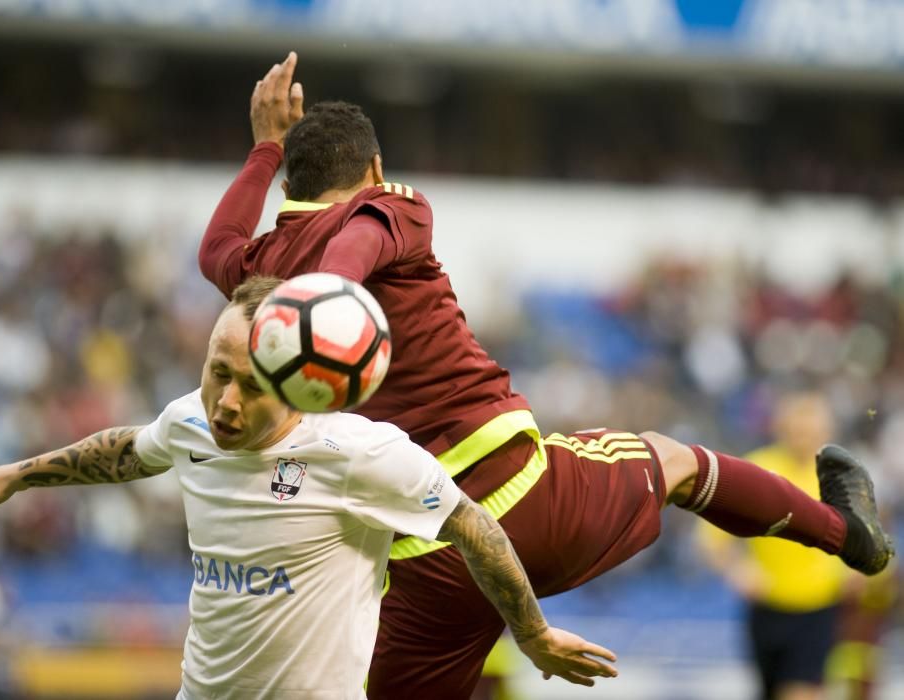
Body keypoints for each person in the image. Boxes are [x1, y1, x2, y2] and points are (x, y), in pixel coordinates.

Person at [197, 52, 895, 698]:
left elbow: (217, 248)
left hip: (420, 559)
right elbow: (361, 238)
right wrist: (332, 293)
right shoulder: (391, 207)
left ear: (290, 182)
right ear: (374, 168)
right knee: (676, 461)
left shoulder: (265, 269)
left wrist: (264, 149)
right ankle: (844, 534)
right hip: (526, 501)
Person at [0, 277, 620, 699]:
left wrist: (529, 634)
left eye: (251, 385)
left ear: (298, 382)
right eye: (215, 372)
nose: (223, 403)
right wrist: (17, 476)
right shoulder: (188, 424)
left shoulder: (358, 454)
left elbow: (474, 525)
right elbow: (125, 452)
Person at [699, 390, 852, 700]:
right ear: (780, 427)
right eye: (797, 429)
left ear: (827, 432)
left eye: (811, 430)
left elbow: (868, 537)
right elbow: (710, 536)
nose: (803, 437)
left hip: (819, 607)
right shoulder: (758, 470)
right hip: (767, 608)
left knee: (800, 692)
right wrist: (737, 569)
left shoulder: (843, 478)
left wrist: (859, 568)